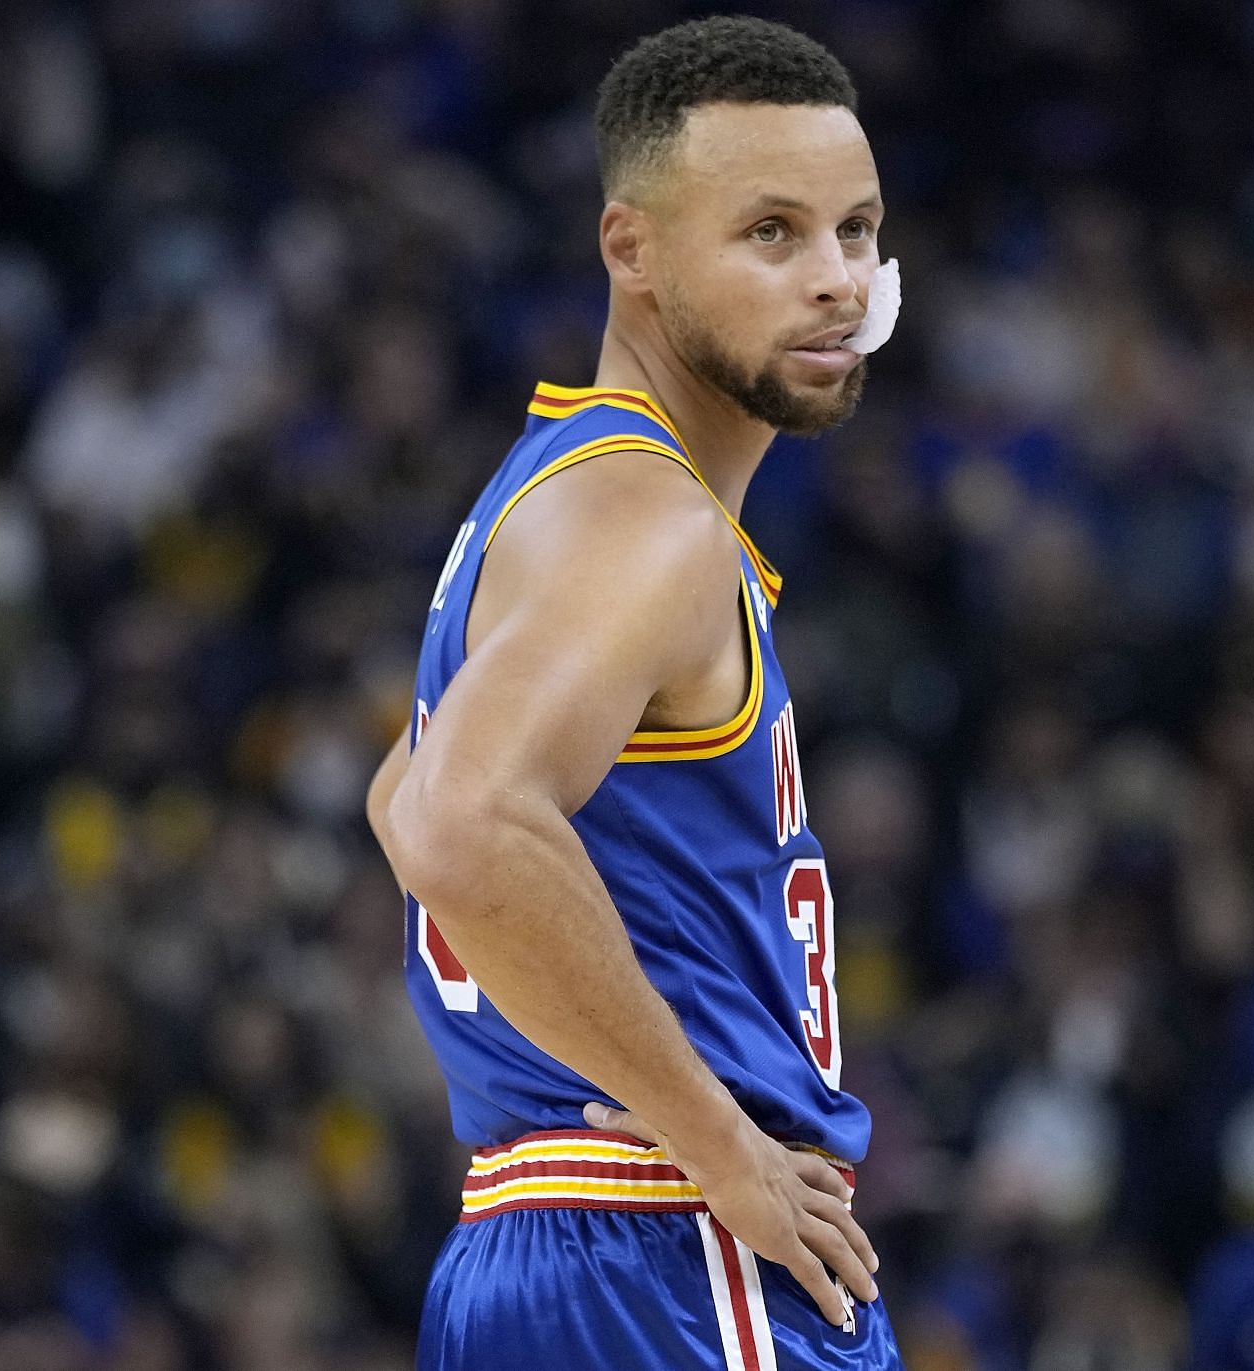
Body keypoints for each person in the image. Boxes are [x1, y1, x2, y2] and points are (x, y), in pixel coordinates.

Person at [365, 14, 904, 1370]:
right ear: (634, 251)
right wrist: (712, 1136)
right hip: (667, 1250)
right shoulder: (644, 522)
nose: (836, 279)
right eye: (772, 233)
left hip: (548, 1240)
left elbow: (405, 789)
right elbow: (457, 825)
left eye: (857, 229)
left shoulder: (560, 489)